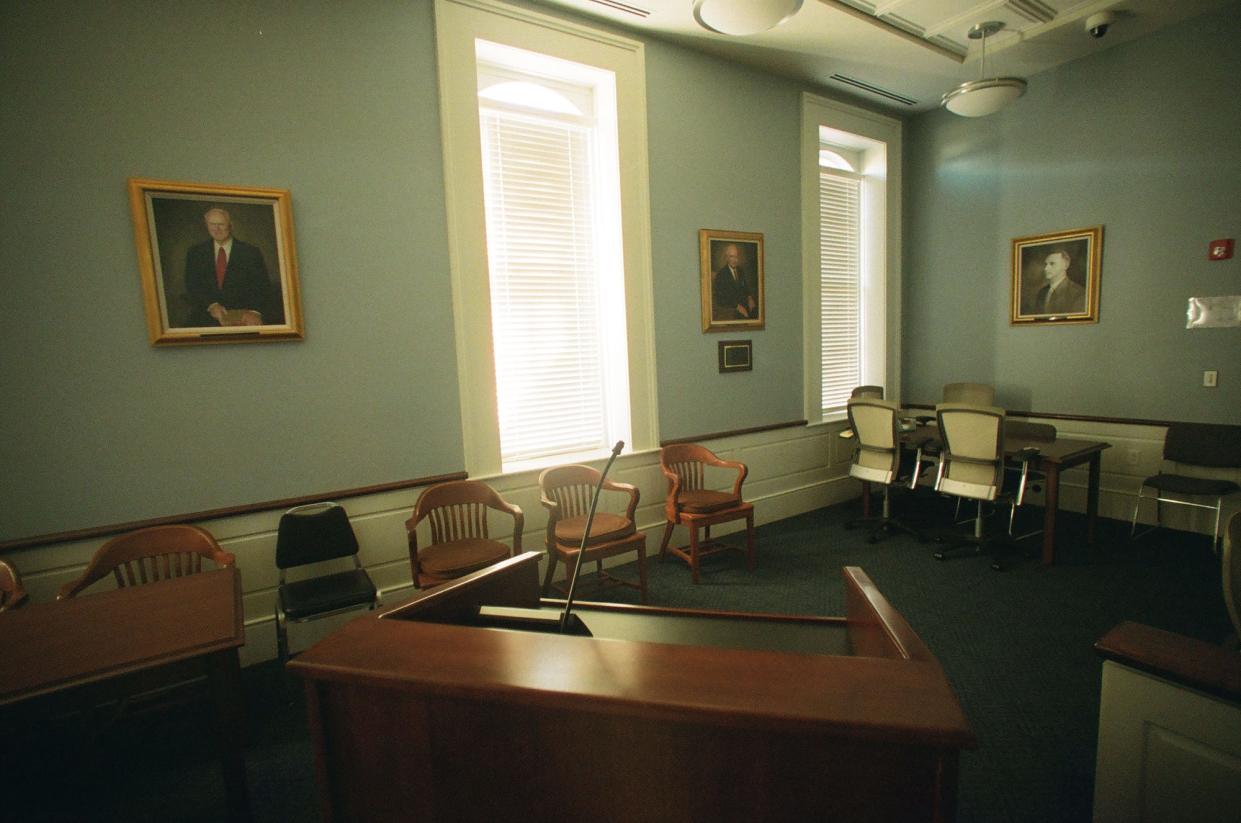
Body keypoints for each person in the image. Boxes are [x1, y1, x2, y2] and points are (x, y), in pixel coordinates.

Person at [183, 207, 275, 327]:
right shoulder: (195, 252)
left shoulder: (250, 252)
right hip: (206, 317)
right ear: (206, 226)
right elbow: (192, 285)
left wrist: (254, 312)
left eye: (221, 224)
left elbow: (262, 286)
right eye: (212, 224)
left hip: (243, 318)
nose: (217, 229)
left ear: (231, 225)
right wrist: (211, 305)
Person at [712, 243, 758, 321]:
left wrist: (750, 298)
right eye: (731, 256)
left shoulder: (740, 271)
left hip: (745, 304)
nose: (734, 260)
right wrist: (737, 306)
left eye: (736, 256)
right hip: (732, 308)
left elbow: (745, 287)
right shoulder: (721, 274)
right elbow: (720, 298)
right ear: (726, 258)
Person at [1031, 250, 1086, 316]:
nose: (1046, 268)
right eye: (1046, 264)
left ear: (1065, 265)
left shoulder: (1078, 293)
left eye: (1052, 264)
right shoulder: (1042, 293)